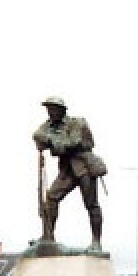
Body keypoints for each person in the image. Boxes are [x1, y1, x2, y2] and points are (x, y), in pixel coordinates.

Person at [33, 96, 107, 251]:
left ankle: (96, 241)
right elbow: (37, 136)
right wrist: (54, 141)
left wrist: (53, 142)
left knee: (91, 204)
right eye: (48, 109)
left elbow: (75, 142)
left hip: (84, 167)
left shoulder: (77, 122)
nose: (50, 112)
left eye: (53, 109)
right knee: (51, 198)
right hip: (67, 169)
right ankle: (48, 236)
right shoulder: (49, 125)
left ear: (62, 110)